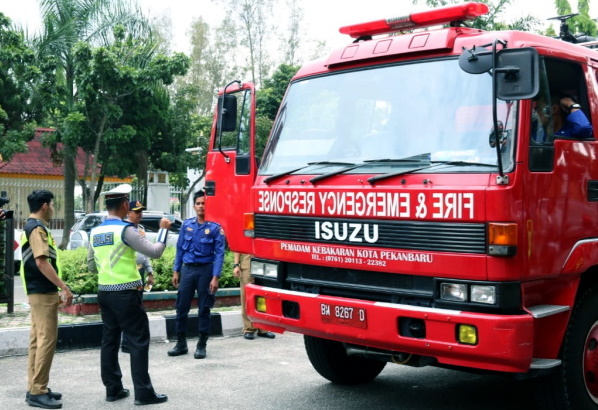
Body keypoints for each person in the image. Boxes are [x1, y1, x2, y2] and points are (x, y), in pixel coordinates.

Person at [87, 184, 171, 406]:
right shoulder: (126, 230)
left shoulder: (95, 232)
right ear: (125, 204)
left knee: (109, 341)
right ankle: (143, 393)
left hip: (104, 292)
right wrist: (163, 229)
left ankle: (113, 389)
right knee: (138, 341)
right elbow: (155, 252)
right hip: (126, 293)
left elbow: (91, 267)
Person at [20, 190, 73, 409]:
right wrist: (64, 287)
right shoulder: (37, 228)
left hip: (36, 291)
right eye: (51, 204)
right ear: (44, 206)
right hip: (43, 291)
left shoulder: (30, 226)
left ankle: (35, 386)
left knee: (37, 340)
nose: (53, 208)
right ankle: (38, 391)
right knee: (46, 340)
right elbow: (42, 262)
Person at [168, 190, 225, 359]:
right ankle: (181, 343)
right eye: (198, 203)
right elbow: (179, 249)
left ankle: (201, 344)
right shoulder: (187, 225)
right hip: (187, 270)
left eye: (204, 203)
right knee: (181, 307)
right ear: (194, 206)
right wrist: (176, 270)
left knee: (204, 308)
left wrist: (216, 277)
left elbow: (219, 254)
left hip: (205, 271)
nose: (201, 206)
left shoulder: (215, 228)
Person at [120, 200, 155, 354]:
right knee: (128, 309)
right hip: (127, 273)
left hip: (139, 272)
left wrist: (149, 271)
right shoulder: (123, 230)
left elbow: (145, 253)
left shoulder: (140, 229)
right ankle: (126, 342)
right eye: (136, 211)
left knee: (138, 307)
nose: (139, 214)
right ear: (128, 212)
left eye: (141, 211)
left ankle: (132, 341)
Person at [233, 252, 276, 340]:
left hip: (264, 263)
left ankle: (264, 328)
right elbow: (237, 248)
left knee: (263, 296)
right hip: (248, 264)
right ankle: (249, 329)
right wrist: (236, 265)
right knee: (247, 297)